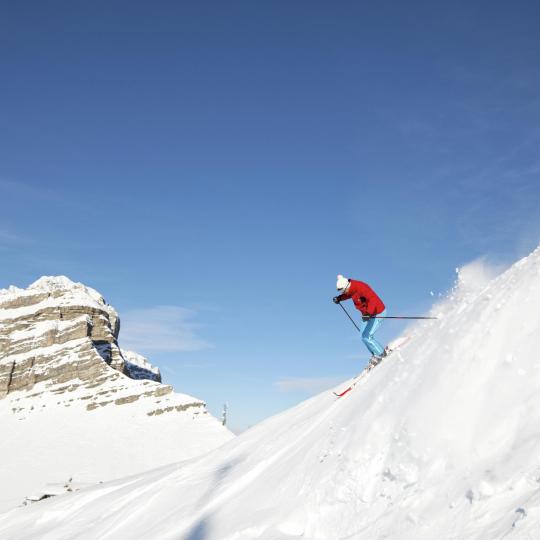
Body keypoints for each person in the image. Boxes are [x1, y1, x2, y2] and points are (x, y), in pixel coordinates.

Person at [333, 274, 387, 365]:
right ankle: (376, 354)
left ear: (347, 286)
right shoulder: (351, 288)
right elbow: (348, 294)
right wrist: (339, 298)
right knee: (363, 336)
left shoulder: (361, 287)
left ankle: (382, 355)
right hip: (367, 314)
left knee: (367, 336)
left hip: (377, 312)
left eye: (344, 291)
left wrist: (368, 313)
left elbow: (373, 299)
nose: (344, 293)